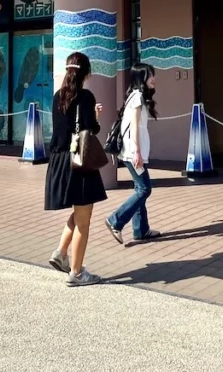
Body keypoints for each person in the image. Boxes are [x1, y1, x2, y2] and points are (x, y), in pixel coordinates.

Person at [44, 52, 107, 286]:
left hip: (59, 161)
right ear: (86, 73)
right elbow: (90, 131)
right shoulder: (86, 97)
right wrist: (96, 117)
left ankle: (61, 253)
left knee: (80, 211)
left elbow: (63, 128)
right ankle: (77, 273)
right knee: (84, 220)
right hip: (79, 162)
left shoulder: (57, 97)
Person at [105, 63, 161, 245]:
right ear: (141, 78)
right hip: (133, 151)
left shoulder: (136, 96)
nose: (153, 78)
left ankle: (141, 230)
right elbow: (135, 126)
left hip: (133, 150)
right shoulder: (137, 96)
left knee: (139, 189)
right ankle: (115, 220)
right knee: (145, 189)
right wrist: (137, 151)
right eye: (149, 75)